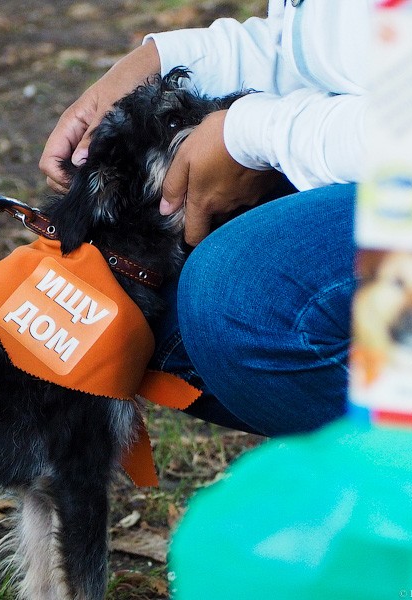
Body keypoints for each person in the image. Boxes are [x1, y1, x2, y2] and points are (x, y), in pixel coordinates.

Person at [40, 0, 373, 436]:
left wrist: (251, 134)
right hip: (366, 149)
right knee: (129, 309)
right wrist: (157, 58)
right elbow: (323, 45)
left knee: (239, 297)